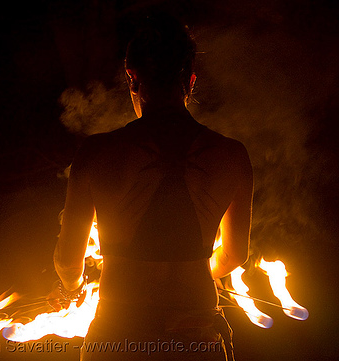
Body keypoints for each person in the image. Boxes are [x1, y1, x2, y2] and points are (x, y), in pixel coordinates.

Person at [51, 14, 253, 361]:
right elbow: (234, 255)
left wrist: (73, 288)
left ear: (132, 79)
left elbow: (69, 262)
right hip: (195, 333)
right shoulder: (232, 155)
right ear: (190, 81)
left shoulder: (97, 152)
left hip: (118, 335)